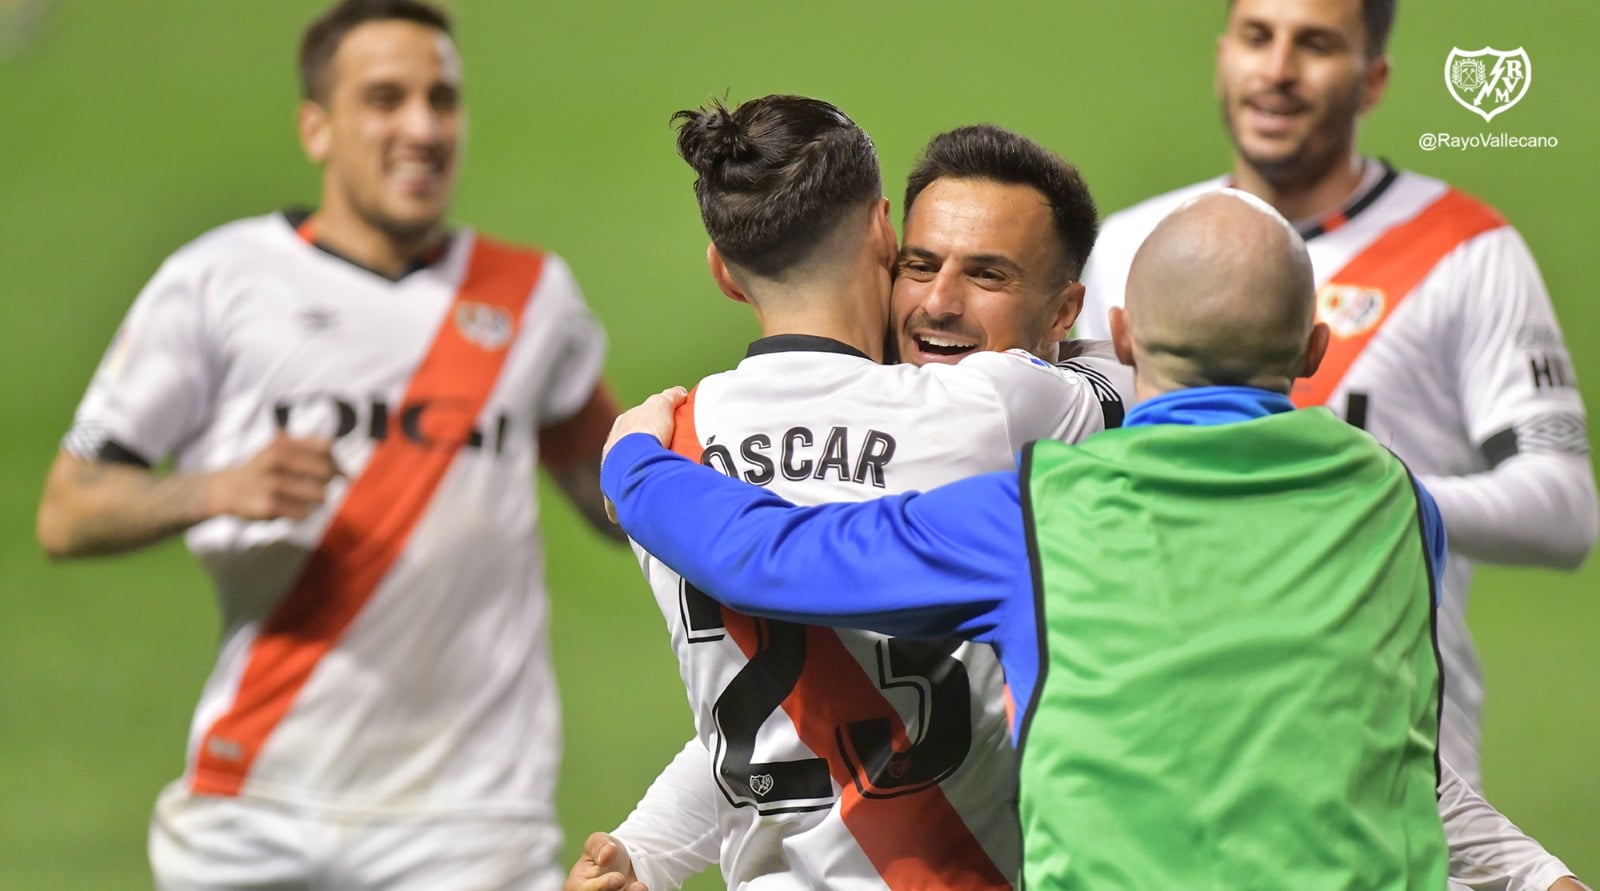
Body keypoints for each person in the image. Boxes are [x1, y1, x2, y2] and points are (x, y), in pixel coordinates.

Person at [600, 191, 1597, 888]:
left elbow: (770, 562)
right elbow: (1386, 752)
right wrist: (1532, 871)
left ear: (1113, 331)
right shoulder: (1392, 506)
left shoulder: (1035, 517)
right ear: (1311, 352)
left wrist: (636, 459)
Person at [34, 1, 621, 887]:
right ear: (317, 126)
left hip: (470, 821)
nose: (422, 128)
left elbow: (621, 501)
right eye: (385, 99)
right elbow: (67, 509)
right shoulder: (219, 280)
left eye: (442, 99)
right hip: (255, 807)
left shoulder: (532, 296)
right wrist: (210, 489)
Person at [568, 103, 1113, 891]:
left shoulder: (672, 449)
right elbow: (1151, 367)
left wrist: (646, 848)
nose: (940, 302)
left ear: (723, 270)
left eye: (987, 273)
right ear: (882, 234)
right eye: (922, 265)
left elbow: (781, 715)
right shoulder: (999, 415)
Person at [1075, 0, 1598, 792]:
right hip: (1171, 751)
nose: (1277, 70)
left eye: (1315, 44)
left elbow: (1563, 507)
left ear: (1373, 78)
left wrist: (1362, 495)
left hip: (1393, 756)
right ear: (1223, 54)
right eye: (1258, 37)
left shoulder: (1466, 250)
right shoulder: (1131, 245)